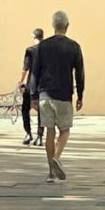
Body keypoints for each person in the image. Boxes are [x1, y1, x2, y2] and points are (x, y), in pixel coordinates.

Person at [33, 11, 84, 184]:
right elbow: (80, 72)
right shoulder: (74, 47)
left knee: (49, 131)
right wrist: (80, 95)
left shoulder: (42, 46)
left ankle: (50, 173)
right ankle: (57, 157)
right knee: (65, 130)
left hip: (45, 94)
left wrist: (33, 95)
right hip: (63, 94)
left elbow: (35, 71)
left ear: (53, 25)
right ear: (67, 26)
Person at [17, 28, 44, 146]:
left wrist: (20, 82)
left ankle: (28, 133)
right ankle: (39, 137)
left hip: (31, 84)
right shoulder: (48, 51)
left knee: (25, 109)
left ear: (34, 37)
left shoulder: (30, 50)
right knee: (41, 111)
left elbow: (25, 69)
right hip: (44, 85)